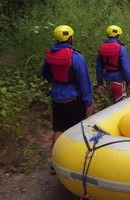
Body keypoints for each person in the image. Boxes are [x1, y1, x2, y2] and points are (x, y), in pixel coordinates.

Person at [42, 25, 94, 173]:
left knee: (59, 128)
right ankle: (76, 162)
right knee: (77, 129)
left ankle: (55, 163)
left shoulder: (50, 55)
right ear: (70, 38)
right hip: (73, 98)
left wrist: (56, 83)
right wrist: (88, 102)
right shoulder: (75, 57)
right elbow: (84, 82)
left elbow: (44, 73)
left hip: (56, 96)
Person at [96, 25, 130, 104]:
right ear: (118, 36)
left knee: (111, 104)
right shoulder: (121, 48)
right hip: (119, 79)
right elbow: (126, 67)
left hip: (107, 80)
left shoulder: (101, 48)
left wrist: (100, 83)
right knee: (121, 104)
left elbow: (98, 68)